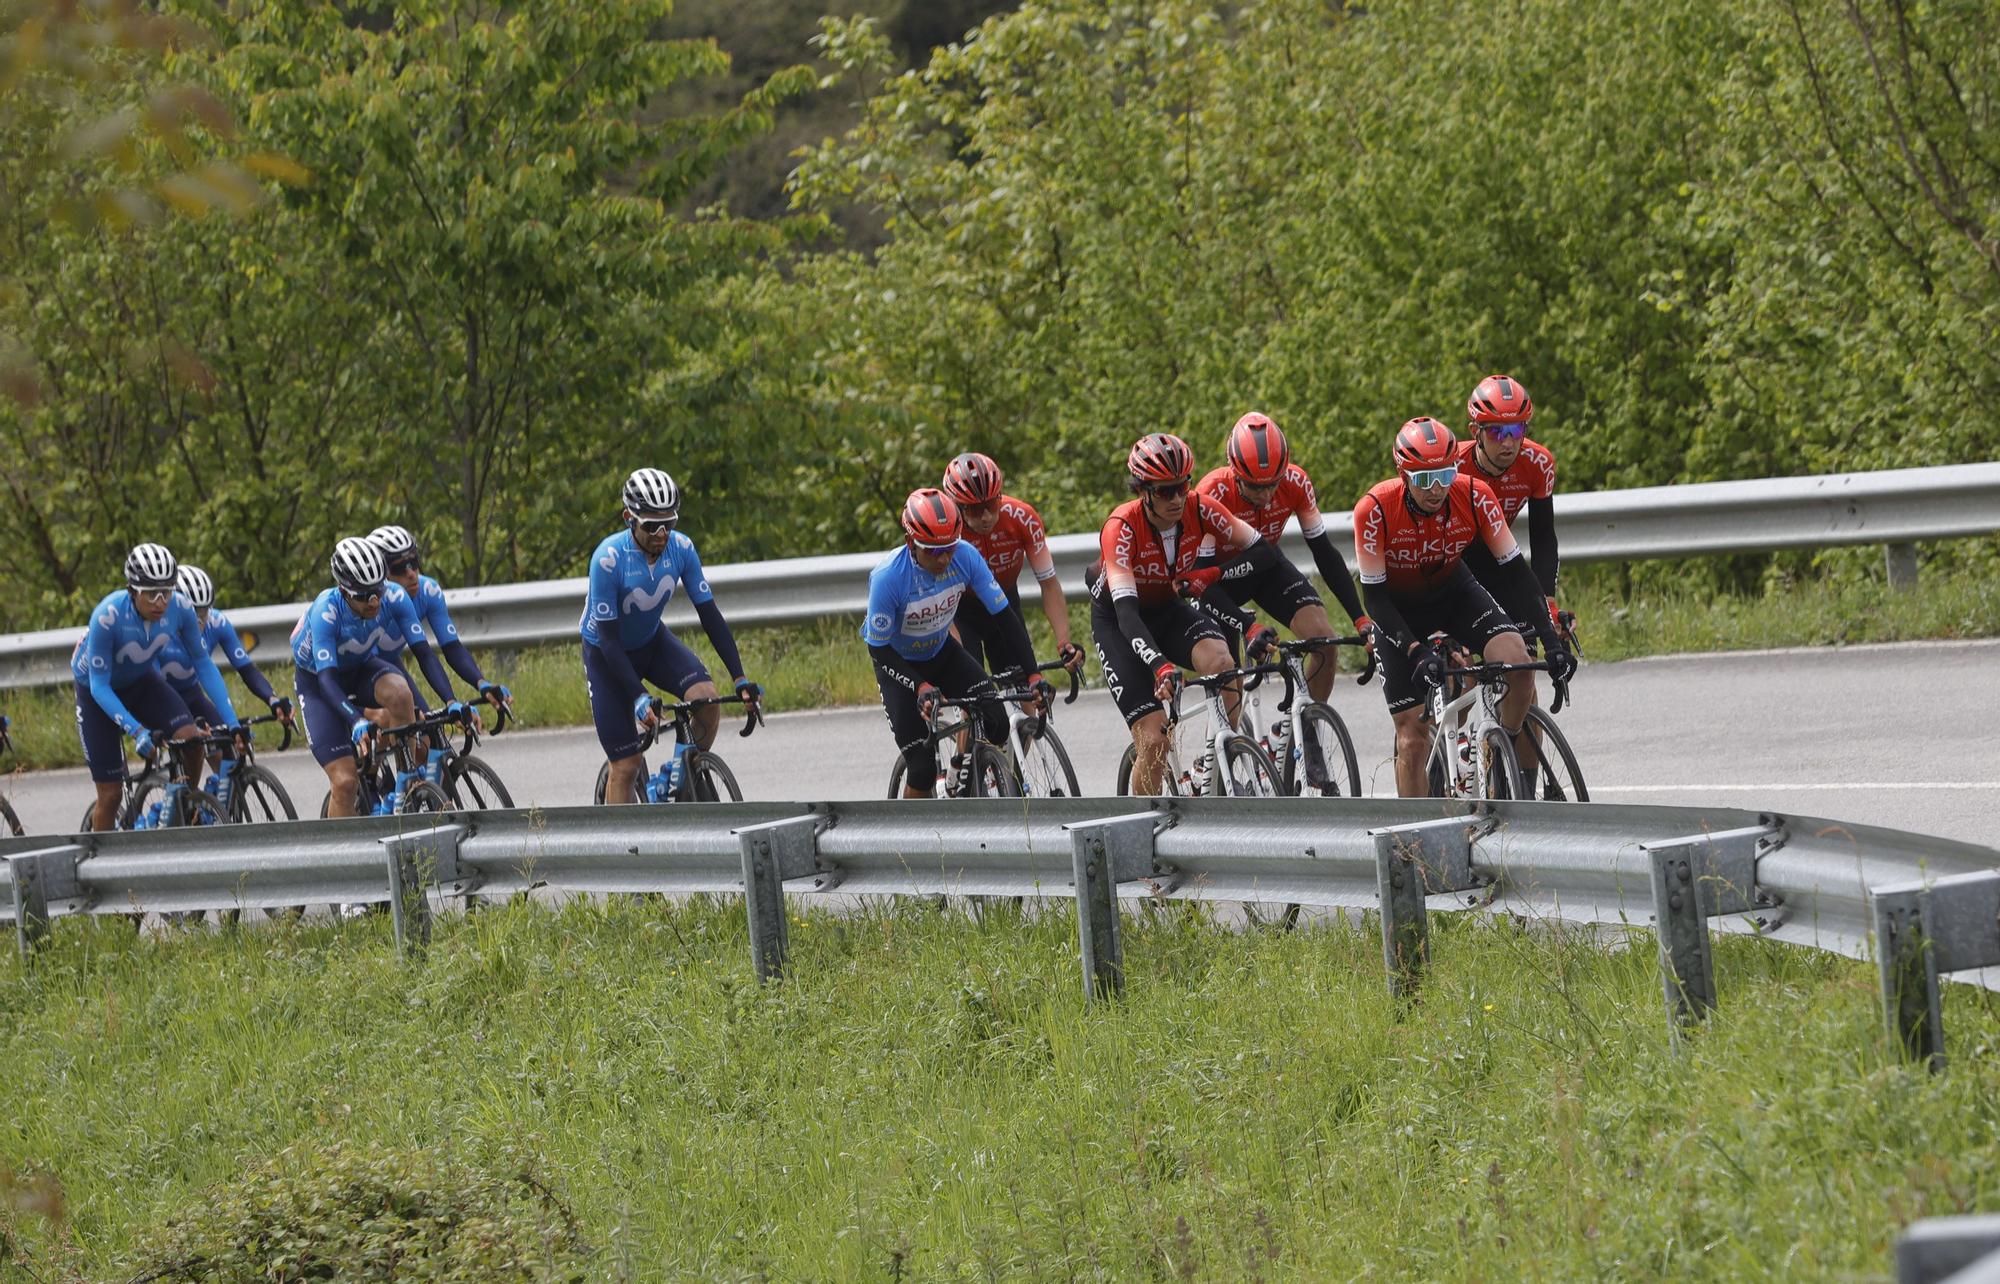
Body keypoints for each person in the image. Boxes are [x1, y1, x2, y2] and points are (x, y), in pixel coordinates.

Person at [1351, 417, 1575, 798]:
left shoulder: (1475, 494)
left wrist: (1550, 639)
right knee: (1412, 739)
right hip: (1399, 610)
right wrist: (1414, 649)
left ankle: (1496, 753)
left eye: (1445, 474)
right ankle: (1417, 847)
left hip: (1454, 593)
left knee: (1519, 666)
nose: (1437, 488)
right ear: (1403, 475)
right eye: (1424, 479)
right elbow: (1375, 597)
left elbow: (1517, 574)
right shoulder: (1374, 510)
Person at [1089, 432, 1267, 795]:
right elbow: (1126, 614)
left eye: (1181, 486)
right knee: (1155, 742)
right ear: (1143, 491)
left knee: (1224, 662)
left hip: (1167, 608)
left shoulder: (1200, 508)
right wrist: (1159, 665)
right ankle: (1139, 831)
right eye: (1164, 491)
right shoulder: (1121, 528)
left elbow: (1263, 552)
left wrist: (1215, 575)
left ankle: (1216, 762)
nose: (1175, 498)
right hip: (1121, 622)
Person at [581, 468, 761, 805]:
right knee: (627, 764)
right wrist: (637, 696)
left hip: (651, 642)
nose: (661, 533)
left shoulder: (682, 548)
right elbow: (607, 639)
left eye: (669, 523)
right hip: (607, 654)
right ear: (628, 518)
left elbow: (709, 614)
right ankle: (620, 850)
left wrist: (740, 678)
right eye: (651, 525)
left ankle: (680, 774)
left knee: (706, 700)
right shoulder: (607, 560)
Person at [863, 487, 1049, 798]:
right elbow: (877, 648)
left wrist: (1033, 675)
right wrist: (919, 686)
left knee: (997, 724)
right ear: (911, 543)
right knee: (921, 768)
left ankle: (968, 781)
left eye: (950, 547)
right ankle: (908, 841)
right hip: (899, 665)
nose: (945, 558)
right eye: (934, 551)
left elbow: (1005, 618)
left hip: (942, 652)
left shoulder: (965, 556)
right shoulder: (888, 577)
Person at [1193, 411, 1372, 705]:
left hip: (1265, 568)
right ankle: (1225, 745)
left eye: (1273, 484)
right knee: (1229, 678)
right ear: (1234, 472)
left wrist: (1360, 618)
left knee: (1324, 642)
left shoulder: (1296, 482)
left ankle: (1307, 732)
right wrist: (1247, 627)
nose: (1266, 495)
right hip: (1217, 580)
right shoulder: (1213, 493)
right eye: (1254, 486)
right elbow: (1201, 575)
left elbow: (1324, 552)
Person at [291, 537, 466, 817]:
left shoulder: (394, 596)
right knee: (345, 782)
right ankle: (343, 855)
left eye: (377, 591)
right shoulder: (326, 611)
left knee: (400, 692)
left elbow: (424, 653)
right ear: (344, 591)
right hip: (318, 683)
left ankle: (404, 784)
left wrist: (451, 699)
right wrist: (356, 720)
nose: (373, 602)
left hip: (361, 668)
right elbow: (326, 682)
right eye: (363, 596)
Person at [71, 543, 237, 831]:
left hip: (140, 681)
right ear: (133, 590)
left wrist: (230, 722)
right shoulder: (107, 616)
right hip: (98, 693)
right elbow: (99, 686)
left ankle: (184, 809)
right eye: (151, 593)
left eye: (167, 592)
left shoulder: (181, 609)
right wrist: (137, 731)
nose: (160, 602)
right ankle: (102, 867)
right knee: (110, 795)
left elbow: (203, 664)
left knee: (191, 739)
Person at [939, 451, 1086, 680]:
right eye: (976, 510)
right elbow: (936, 599)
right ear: (958, 507)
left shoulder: (1022, 517)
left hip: (1004, 603)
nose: (986, 516)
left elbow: (1048, 584)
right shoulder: (946, 532)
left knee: (1026, 692)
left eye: (991, 504)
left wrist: (1063, 641)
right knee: (971, 690)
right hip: (959, 611)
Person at [1456, 375, 1565, 649]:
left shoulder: (1538, 463)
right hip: (1451, 561)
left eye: (1515, 431)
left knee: (1525, 656)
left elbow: (1542, 537)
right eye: (1495, 432)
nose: (1507, 443)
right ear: (1474, 431)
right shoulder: (1452, 467)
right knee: (1461, 655)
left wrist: (1547, 602)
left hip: (1497, 559)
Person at [367, 525, 512, 714]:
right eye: (400, 568)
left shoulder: (428, 591)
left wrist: (480, 684)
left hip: (391, 664)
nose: (411, 573)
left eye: (414, 562)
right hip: (357, 673)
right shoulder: (370, 606)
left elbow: (449, 648)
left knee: (428, 735)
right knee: (391, 720)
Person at [157, 564, 295, 735]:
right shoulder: (159, 629)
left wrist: (272, 699)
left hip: (190, 693)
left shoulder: (217, 623)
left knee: (231, 743)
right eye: (194, 614)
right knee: (186, 741)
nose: (200, 621)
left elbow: (247, 670)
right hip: (157, 698)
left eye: (204, 612)